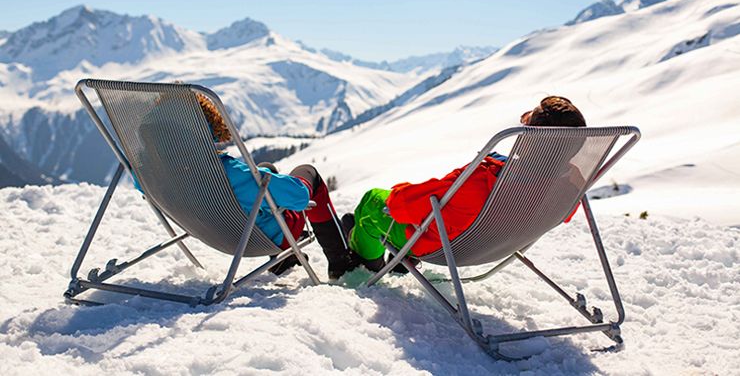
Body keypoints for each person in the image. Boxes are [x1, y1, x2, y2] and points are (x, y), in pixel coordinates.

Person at [342, 96, 587, 274]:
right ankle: (395, 256)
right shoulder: (569, 185)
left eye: (525, 124)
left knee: (373, 201)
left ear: (529, 139)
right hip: (499, 246)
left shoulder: (484, 178)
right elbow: (563, 215)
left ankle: (364, 266)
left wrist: (399, 191)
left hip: (444, 247)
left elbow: (402, 206)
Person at [136, 92, 355, 279]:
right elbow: (299, 197)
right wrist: (290, 183)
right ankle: (341, 262)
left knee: (265, 170)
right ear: (201, 128)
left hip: (207, 231)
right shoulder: (224, 173)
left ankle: (284, 261)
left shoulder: (147, 173)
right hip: (259, 238)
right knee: (308, 174)